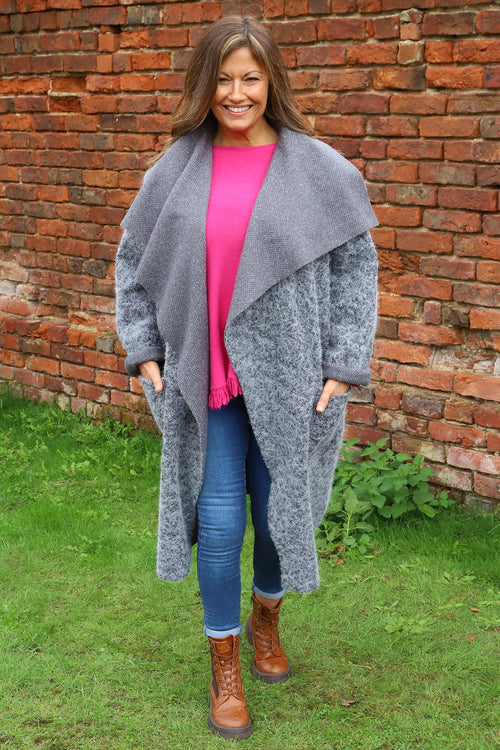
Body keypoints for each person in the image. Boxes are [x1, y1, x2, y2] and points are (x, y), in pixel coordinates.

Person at [114, 15, 379, 740]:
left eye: (251, 78)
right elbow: (132, 263)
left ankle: (267, 619)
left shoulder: (319, 169)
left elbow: (356, 269)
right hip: (204, 380)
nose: (237, 93)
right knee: (222, 517)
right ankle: (224, 663)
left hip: (294, 380)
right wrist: (144, 347)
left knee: (277, 514)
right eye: (224, 79)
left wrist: (344, 362)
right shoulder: (175, 170)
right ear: (205, 85)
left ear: (272, 82)